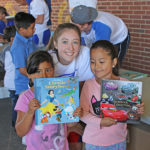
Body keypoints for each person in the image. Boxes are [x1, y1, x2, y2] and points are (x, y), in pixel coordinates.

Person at [80, 40, 144, 150]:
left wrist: (138, 109)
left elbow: (130, 113)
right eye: (92, 61)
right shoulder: (89, 84)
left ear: (114, 62)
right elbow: (82, 114)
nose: (96, 66)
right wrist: (100, 122)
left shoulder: (125, 84)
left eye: (101, 61)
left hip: (118, 141)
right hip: (94, 142)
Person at [15, 50, 82, 150]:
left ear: (53, 70)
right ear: (29, 74)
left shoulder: (60, 93)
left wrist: (75, 115)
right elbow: (20, 132)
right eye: (38, 71)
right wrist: (30, 112)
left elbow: (69, 123)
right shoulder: (26, 98)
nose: (43, 76)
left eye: (47, 70)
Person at [47, 22, 94, 150]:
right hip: (50, 116)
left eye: (75, 42)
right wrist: (66, 126)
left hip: (72, 112)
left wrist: (73, 122)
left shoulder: (85, 55)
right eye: (65, 42)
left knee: (76, 141)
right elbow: (43, 101)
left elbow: (89, 85)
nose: (70, 48)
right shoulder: (47, 61)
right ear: (55, 44)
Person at [10, 12, 36, 96]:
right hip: (24, 86)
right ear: (21, 29)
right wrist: (35, 79)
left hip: (32, 82)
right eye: (32, 28)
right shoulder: (18, 46)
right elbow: (22, 69)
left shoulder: (29, 39)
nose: (34, 29)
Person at [2, 25, 17, 127]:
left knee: (14, 102)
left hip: (9, 81)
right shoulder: (16, 50)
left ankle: (14, 121)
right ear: (12, 38)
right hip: (15, 82)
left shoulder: (5, 50)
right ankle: (16, 122)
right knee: (18, 104)